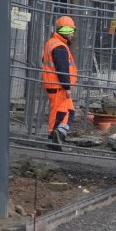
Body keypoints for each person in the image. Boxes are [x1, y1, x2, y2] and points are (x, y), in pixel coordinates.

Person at [42, 15, 79, 147]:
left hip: (55, 85)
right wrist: (67, 87)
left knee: (68, 112)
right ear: (65, 31)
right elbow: (62, 69)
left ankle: (58, 135)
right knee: (60, 114)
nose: (72, 35)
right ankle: (54, 139)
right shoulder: (59, 47)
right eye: (71, 31)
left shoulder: (51, 43)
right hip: (59, 87)